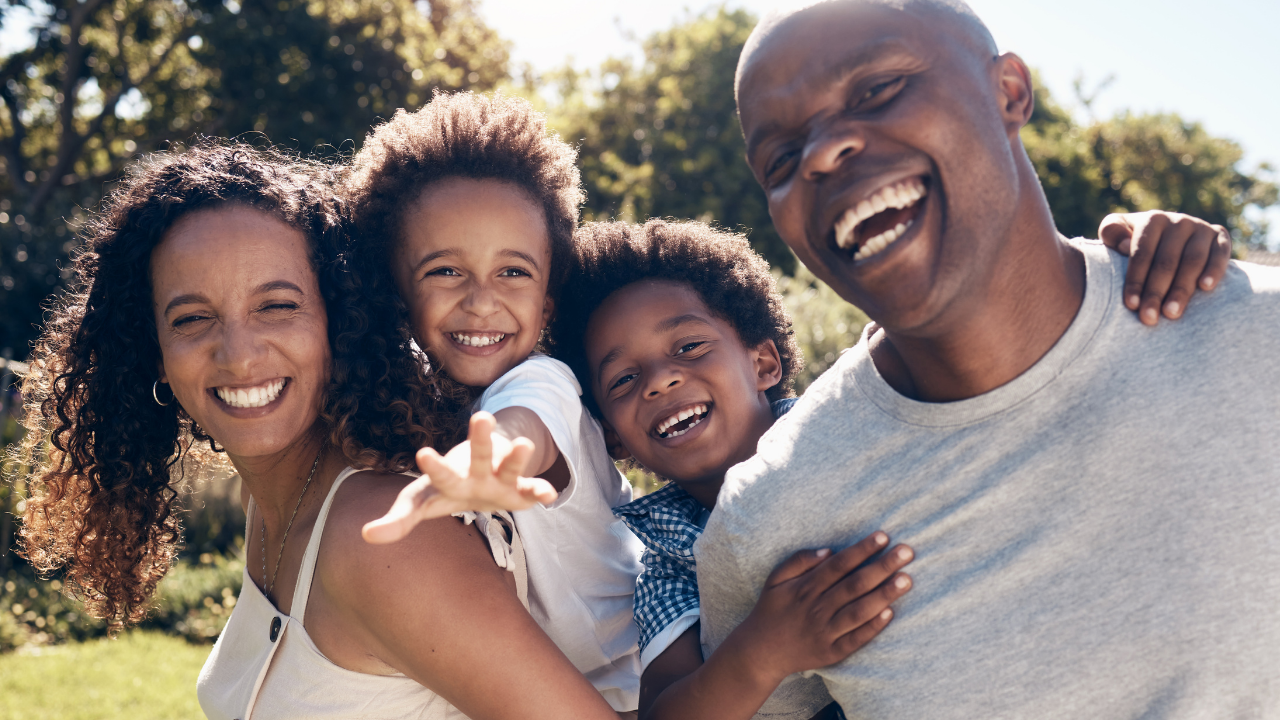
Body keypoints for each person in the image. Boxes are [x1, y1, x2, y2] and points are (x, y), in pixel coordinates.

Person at [694, 1, 1280, 718]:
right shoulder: (775, 521)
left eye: (876, 90)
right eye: (781, 160)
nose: (818, 155)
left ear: (1009, 93)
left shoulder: (1258, 334)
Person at [14, 140, 621, 720]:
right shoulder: (274, 493)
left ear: (341, 318)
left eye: (276, 306)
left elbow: (530, 413)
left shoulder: (385, 540)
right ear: (154, 353)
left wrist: (499, 454)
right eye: (193, 318)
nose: (239, 355)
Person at [546, 214, 1227, 720]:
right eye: (625, 380)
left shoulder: (873, 415)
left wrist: (1138, 242)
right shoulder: (663, 554)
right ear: (616, 440)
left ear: (763, 362)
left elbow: (1000, 329)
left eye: (689, 346)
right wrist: (765, 648)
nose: (661, 381)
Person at [343, 92, 646, 714]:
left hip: (628, 696)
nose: (482, 301)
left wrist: (491, 462)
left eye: (513, 272)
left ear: (548, 304)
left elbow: (521, 428)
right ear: (396, 294)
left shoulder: (541, 383)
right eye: (445, 272)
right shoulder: (413, 400)